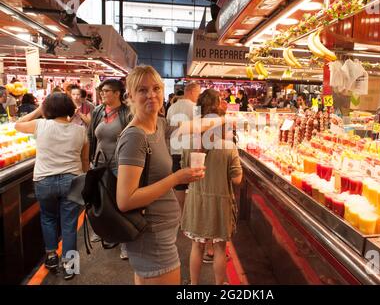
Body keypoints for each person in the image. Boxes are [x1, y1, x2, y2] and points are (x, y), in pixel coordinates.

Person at [115, 65, 227, 285]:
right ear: (130, 96)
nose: (151, 94)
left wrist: (223, 118)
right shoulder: (135, 137)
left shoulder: (157, 126)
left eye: (156, 88)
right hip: (151, 238)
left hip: (158, 235)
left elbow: (194, 126)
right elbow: (125, 200)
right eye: (142, 90)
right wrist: (177, 178)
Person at [14, 93, 89, 280]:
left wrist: (38, 110)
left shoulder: (40, 125)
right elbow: (85, 160)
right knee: (69, 224)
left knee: (48, 218)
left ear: (48, 109)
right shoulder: (80, 130)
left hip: (44, 180)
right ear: (70, 109)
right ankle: (70, 266)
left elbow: (16, 124)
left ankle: (51, 257)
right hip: (72, 180)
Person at [181, 89, 243, 285]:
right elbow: (237, 179)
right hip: (220, 204)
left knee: (197, 246)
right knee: (219, 248)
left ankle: (194, 285)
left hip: (196, 200)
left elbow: (184, 170)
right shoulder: (228, 146)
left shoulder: (189, 142)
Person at [87, 79, 132, 258]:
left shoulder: (127, 113)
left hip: (119, 164)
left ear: (117, 93)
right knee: (101, 201)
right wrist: (89, 159)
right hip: (99, 162)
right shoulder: (98, 111)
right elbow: (92, 136)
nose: (102, 93)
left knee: (121, 203)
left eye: (106, 91)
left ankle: (125, 242)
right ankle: (106, 232)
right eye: (101, 91)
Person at [166, 82, 201, 209]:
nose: (199, 96)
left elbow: (167, 129)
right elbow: (198, 130)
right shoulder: (196, 107)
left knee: (178, 185)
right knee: (192, 185)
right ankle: (189, 216)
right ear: (191, 92)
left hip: (175, 150)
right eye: (198, 93)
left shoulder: (171, 108)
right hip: (190, 151)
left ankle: (180, 215)